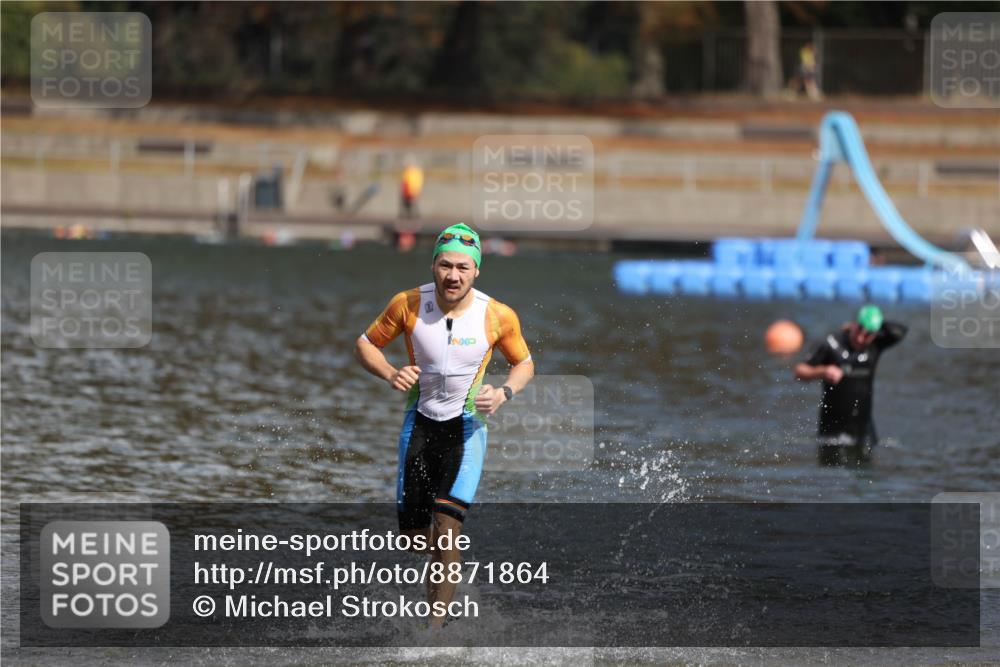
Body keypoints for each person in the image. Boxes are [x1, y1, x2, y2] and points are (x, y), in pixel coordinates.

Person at [354, 223, 534, 628]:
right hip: (419, 425)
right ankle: (447, 580)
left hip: (466, 431)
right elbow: (365, 344)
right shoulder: (408, 304)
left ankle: (434, 633)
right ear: (433, 265)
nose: (453, 275)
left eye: (463, 268)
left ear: (476, 272)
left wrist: (505, 393)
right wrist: (388, 373)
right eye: (446, 265)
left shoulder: (497, 315)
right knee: (416, 540)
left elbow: (524, 363)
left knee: (447, 528)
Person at [794, 305, 907, 465]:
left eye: (868, 335)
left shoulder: (875, 345)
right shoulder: (831, 343)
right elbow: (800, 371)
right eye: (859, 329)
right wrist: (822, 371)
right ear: (852, 324)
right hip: (833, 433)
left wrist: (877, 323)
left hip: (864, 431)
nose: (861, 338)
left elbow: (901, 331)